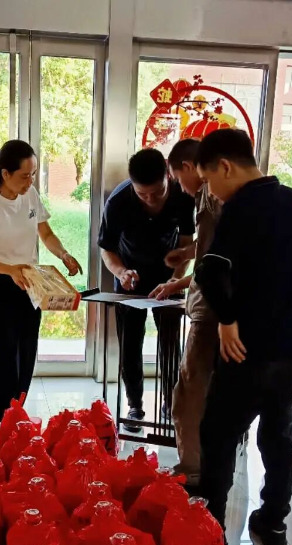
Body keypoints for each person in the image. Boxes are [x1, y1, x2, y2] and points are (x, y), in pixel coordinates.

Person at [193, 128, 292, 545]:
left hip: (246, 348)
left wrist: (227, 320)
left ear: (225, 167)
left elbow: (209, 270)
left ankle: (211, 526)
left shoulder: (242, 207)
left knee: (219, 433)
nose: (211, 191)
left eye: (209, 180)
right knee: (278, 435)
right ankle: (274, 521)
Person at [0, 140, 82, 443]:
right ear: (5, 173)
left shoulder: (30, 196)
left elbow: (46, 232)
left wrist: (64, 254)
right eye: (25, 176)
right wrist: (9, 269)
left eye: (33, 175)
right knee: (4, 354)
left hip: (29, 283)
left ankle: (14, 417)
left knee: (26, 354)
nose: (30, 182)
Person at [99, 148, 195, 427]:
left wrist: (176, 278)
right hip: (130, 277)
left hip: (170, 277)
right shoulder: (118, 201)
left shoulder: (182, 195)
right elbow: (107, 249)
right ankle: (134, 406)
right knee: (130, 344)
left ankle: (170, 402)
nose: (150, 199)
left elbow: (186, 243)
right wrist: (121, 272)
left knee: (170, 343)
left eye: (157, 192)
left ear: (167, 176)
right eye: (143, 195)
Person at [164, 138, 222, 487]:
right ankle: (205, 466)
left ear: (189, 167)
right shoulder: (212, 196)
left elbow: (215, 262)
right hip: (212, 308)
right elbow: (209, 249)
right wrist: (187, 256)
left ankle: (193, 470)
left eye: (177, 178)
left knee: (190, 391)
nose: (180, 188)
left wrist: (180, 282)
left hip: (211, 312)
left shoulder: (212, 195)